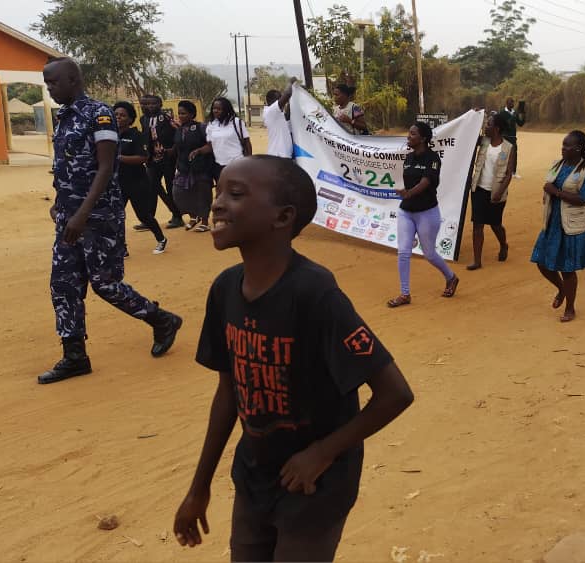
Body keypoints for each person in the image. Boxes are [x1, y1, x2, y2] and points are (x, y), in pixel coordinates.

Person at [173, 155, 414, 560]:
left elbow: (395, 394)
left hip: (315, 485)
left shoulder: (315, 294)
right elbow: (229, 392)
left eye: (235, 194)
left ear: (282, 218)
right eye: (218, 192)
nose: (217, 203)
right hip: (254, 475)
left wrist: (322, 453)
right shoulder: (225, 289)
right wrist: (199, 488)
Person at [38, 57, 181, 385]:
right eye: (47, 85)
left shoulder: (99, 114)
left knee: (104, 284)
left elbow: (105, 167)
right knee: (63, 284)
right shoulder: (63, 117)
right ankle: (74, 356)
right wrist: (61, 203)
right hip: (69, 216)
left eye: (53, 83)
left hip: (98, 216)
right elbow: (65, 166)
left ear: (73, 79)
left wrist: (83, 214)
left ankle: (161, 319)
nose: (50, 89)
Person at [387, 122, 460, 307]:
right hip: (406, 212)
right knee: (403, 252)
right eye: (409, 133)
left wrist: (409, 193)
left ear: (423, 138)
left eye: (412, 134)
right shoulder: (409, 158)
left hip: (427, 212)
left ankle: (451, 277)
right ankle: (405, 294)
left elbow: (427, 181)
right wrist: (406, 195)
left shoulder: (433, 158)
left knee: (429, 254)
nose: (408, 136)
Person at [530, 130, 585, 323]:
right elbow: (548, 183)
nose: (563, 149)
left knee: (567, 269)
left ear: (579, 148)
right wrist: (549, 191)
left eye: (567, 146)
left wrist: (555, 192)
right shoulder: (557, 164)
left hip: (571, 225)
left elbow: (582, 198)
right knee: (541, 263)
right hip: (552, 222)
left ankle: (570, 307)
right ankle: (561, 289)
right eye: (562, 145)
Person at [113, 101, 167, 254]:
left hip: (137, 182)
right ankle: (122, 247)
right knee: (116, 216)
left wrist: (119, 158)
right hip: (118, 183)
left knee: (143, 215)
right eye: (116, 114)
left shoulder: (137, 135)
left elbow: (142, 158)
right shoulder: (110, 135)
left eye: (122, 115)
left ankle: (161, 239)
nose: (118, 117)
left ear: (130, 119)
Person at [467, 113, 515, 270]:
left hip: (496, 192)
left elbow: (509, 173)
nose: (485, 127)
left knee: (495, 224)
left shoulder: (508, 148)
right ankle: (477, 260)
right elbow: (468, 134)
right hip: (479, 189)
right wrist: (474, 115)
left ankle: (503, 244)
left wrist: (500, 191)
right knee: (477, 224)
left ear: (497, 128)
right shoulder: (483, 142)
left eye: (488, 124)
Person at [140, 94, 185, 228]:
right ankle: (149, 219)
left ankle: (177, 216)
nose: (150, 106)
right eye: (147, 104)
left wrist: (173, 149)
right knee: (151, 187)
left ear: (160, 104)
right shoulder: (144, 119)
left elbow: (179, 132)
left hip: (168, 157)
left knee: (170, 186)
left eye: (153, 103)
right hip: (152, 158)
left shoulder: (166, 118)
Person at [173, 101, 216, 232]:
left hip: (201, 166)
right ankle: (193, 217)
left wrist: (198, 151)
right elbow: (178, 149)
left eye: (184, 113)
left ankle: (204, 221)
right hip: (183, 167)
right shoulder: (178, 129)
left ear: (192, 114)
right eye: (179, 113)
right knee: (180, 193)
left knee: (203, 194)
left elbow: (211, 145)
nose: (180, 116)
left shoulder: (201, 127)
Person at [192, 97, 252, 183]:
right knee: (223, 192)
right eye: (214, 108)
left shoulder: (236, 122)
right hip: (219, 167)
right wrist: (198, 151)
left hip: (237, 165)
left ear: (226, 110)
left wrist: (248, 162)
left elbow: (247, 143)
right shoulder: (211, 125)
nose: (215, 111)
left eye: (219, 109)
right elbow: (210, 146)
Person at [264, 77, 297, 158]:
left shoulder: (279, 115)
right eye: (279, 99)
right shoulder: (270, 112)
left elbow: (288, 115)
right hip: (277, 156)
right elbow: (288, 93)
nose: (282, 102)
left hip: (284, 156)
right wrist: (290, 82)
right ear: (272, 101)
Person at [501, 97, 526, 175]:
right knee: (503, 154)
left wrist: (523, 114)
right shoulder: (502, 113)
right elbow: (504, 124)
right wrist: (513, 116)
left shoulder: (515, 113)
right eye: (511, 103)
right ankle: (501, 170)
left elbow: (520, 123)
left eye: (513, 103)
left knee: (514, 154)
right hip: (504, 137)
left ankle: (513, 172)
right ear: (507, 103)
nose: (512, 104)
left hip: (513, 138)